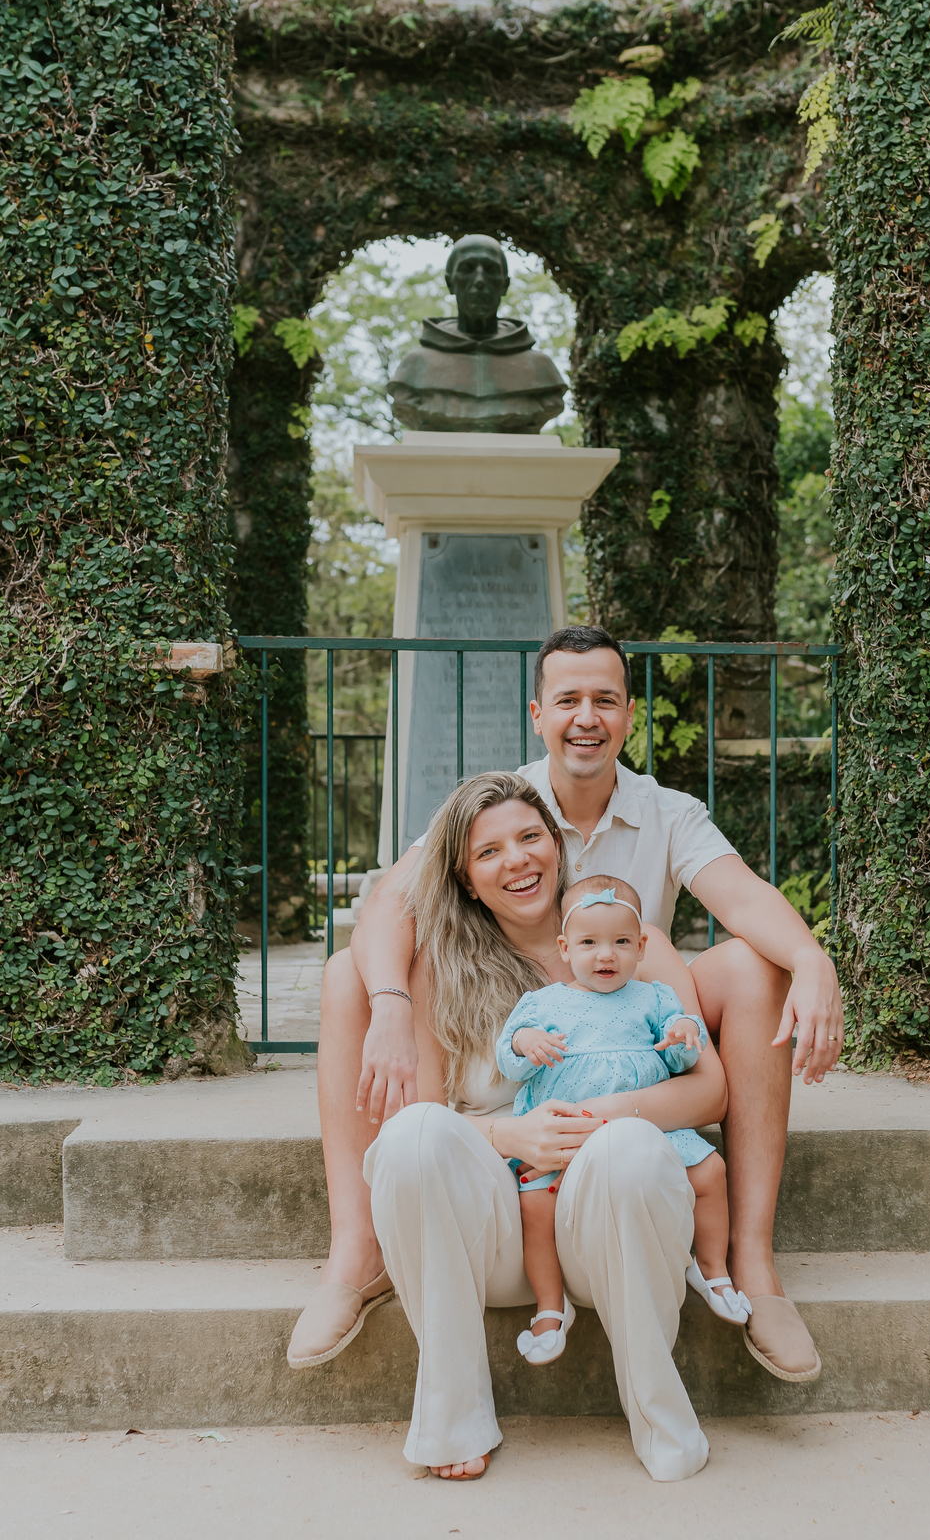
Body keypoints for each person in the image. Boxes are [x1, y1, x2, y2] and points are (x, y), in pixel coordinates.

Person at [291, 625, 843, 1414]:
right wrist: (389, 1001)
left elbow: (744, 895)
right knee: (354, 971)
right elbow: (392, 899)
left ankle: (751, 1257)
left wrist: (813, 961)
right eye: (568, 700)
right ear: (538, 713)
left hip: (645, 1008)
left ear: (627, 714)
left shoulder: (668, 811)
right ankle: (356, 1250)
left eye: (605, 700)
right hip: (545, 1033)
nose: (586, 717)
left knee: (758, 963)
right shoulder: (503, 804)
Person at [305, 772, 727, 1480]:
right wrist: (509, 1137)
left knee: (629, 1147)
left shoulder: (631, 938)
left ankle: (662, 1418)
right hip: (499, 1225)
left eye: (530, 837)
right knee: (410, 1139)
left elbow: (709, 1090)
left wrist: (612, 1116)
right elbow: (426, 1114)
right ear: (468, 880)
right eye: (489, 851)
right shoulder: (439, 964)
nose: (518, 860)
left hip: (609, 1225)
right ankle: (452, 1420)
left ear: (557, 848)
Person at [497, 874, 752, 1365]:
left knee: (711, 1173)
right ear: (565, 948)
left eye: (619, 943)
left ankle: (712, 1267)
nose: (605, 955)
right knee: (534, 1208)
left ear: (640, 947)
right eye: (589, 943)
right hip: (568, 1132)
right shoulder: (542, 1003)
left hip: (648, 1132)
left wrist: (683, 1032)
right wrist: (526, 1044)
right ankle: (551, 1306)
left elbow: (680, 1056)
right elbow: (509, 1059)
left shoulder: (655, 997)